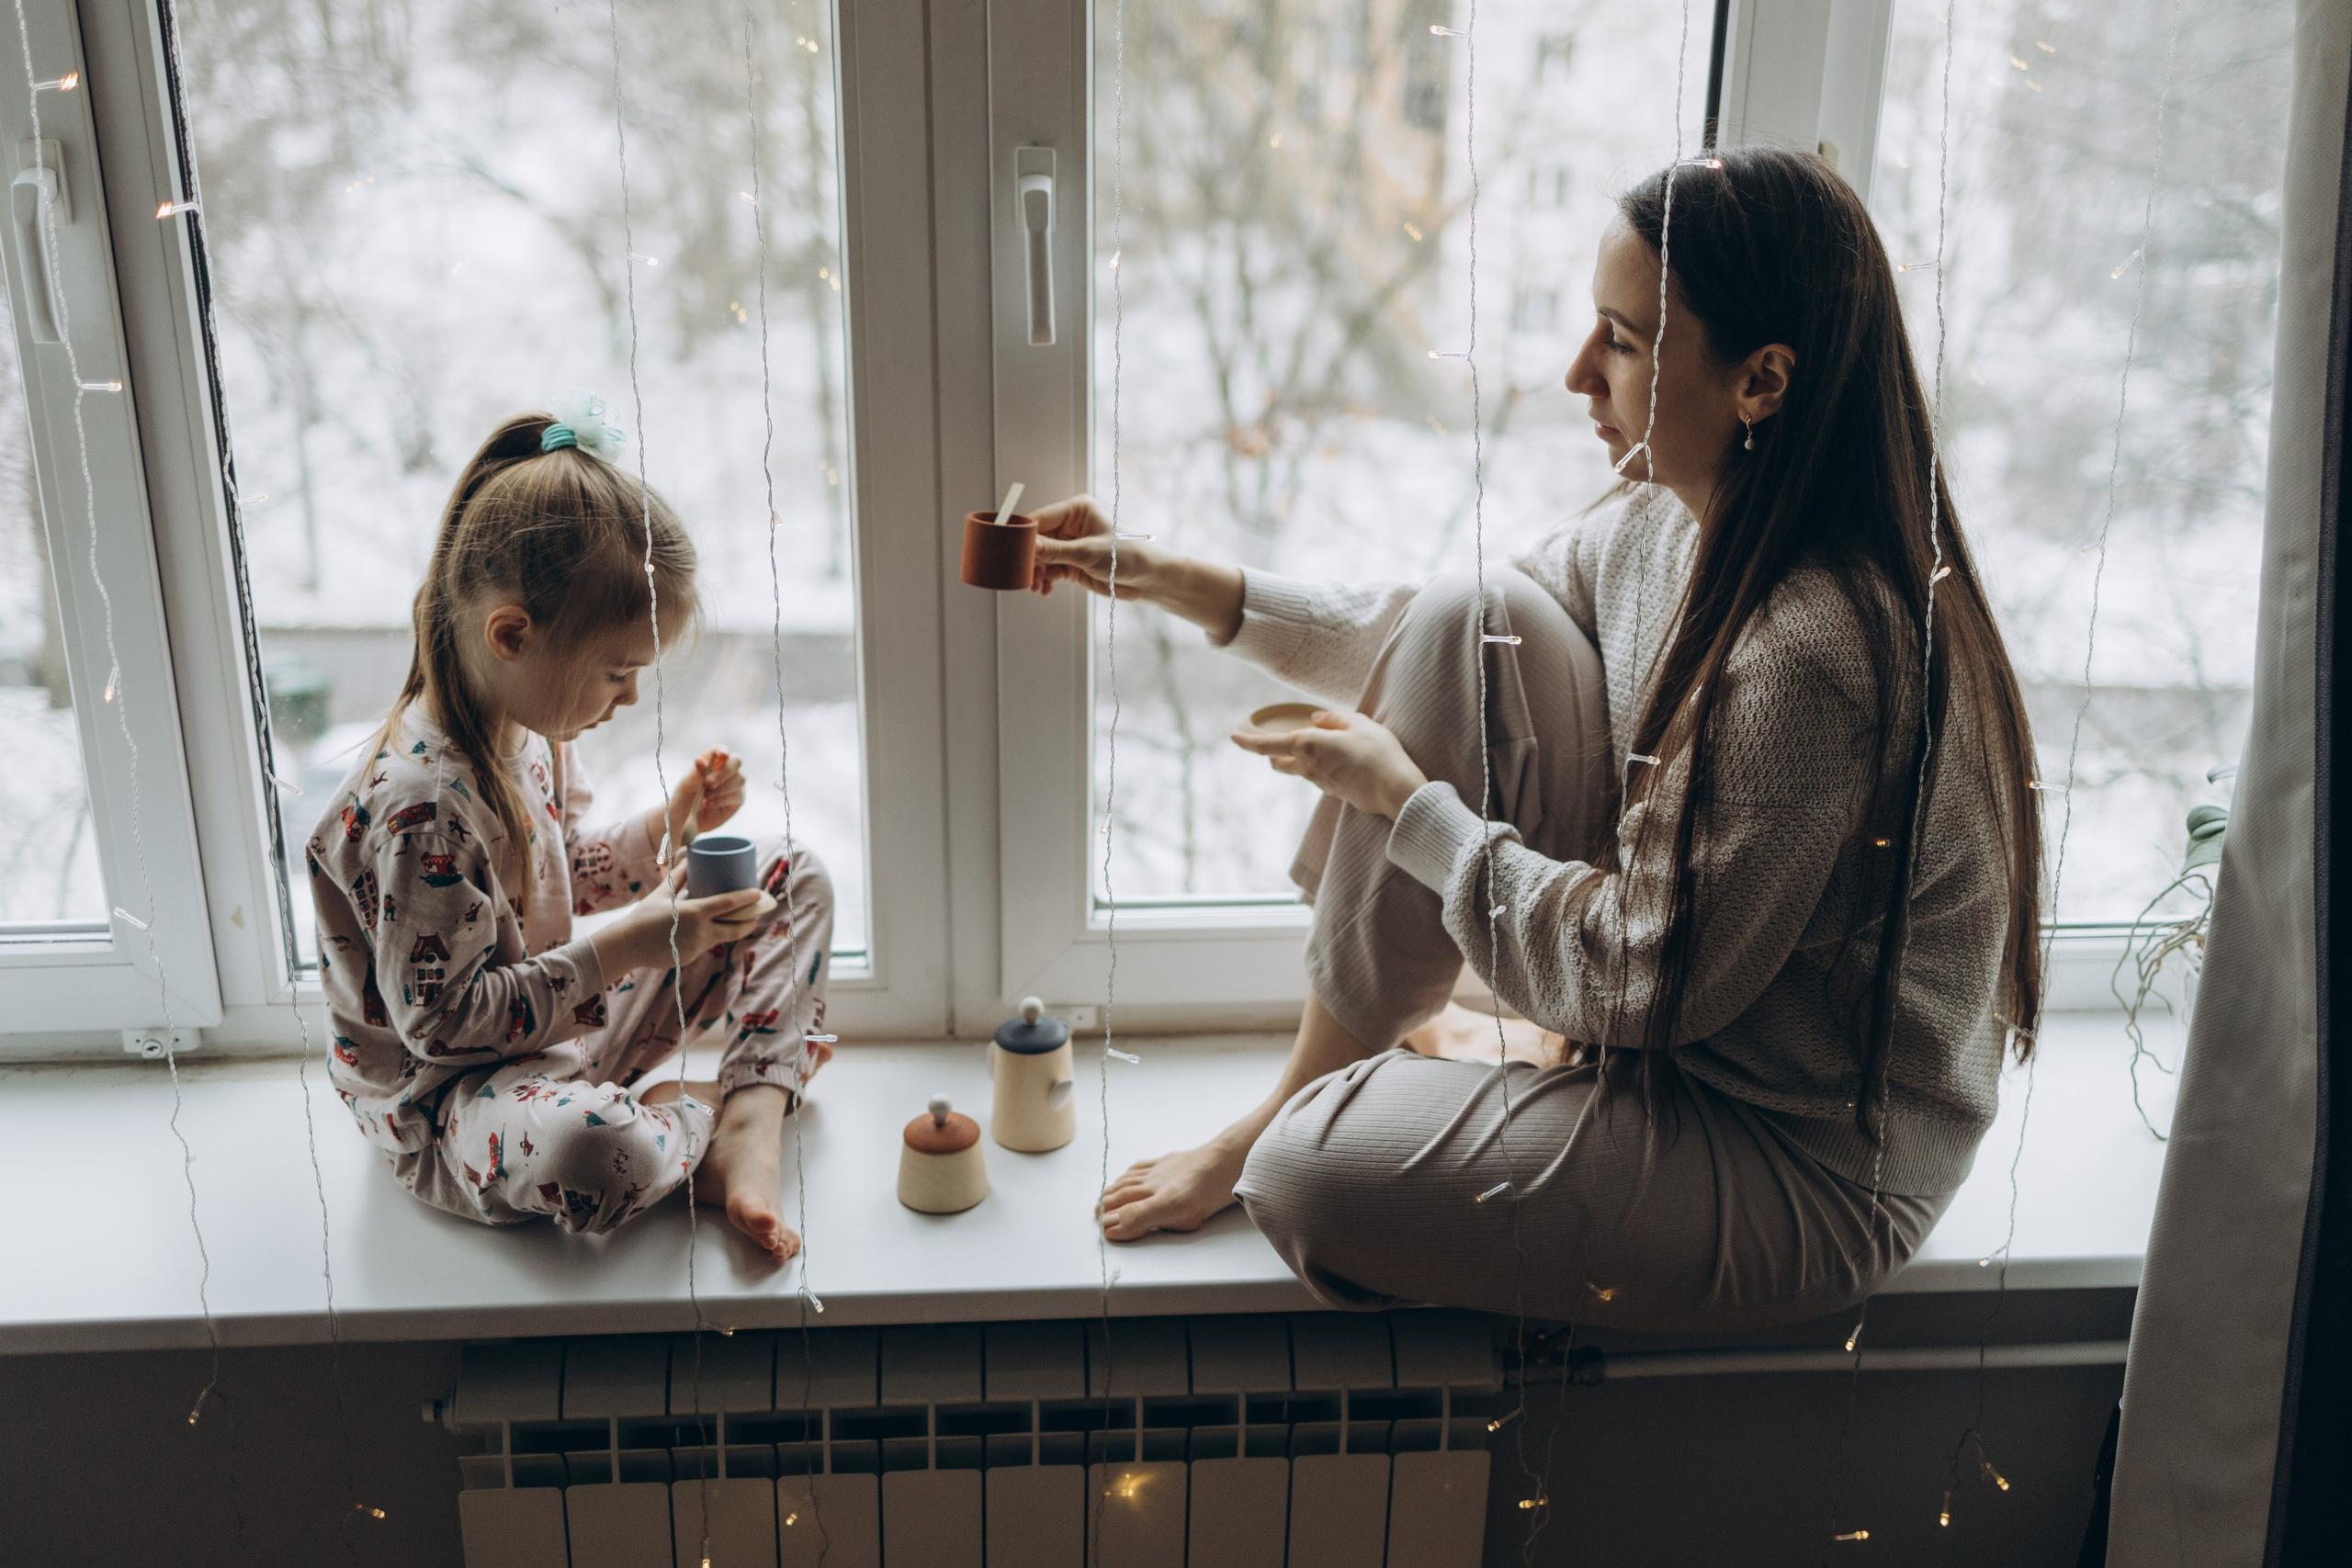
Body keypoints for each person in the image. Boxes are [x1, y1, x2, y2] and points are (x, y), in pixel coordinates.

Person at [1029, 148, 2044, 1331]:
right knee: (1478, 616)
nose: (1577, 374)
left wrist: (1417, 815)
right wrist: (1169, 578)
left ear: (1761, 380)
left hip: (1797, 1158)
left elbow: (1641, 980)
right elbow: (1429, 635)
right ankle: (1353, 1074)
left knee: (1301, 1177)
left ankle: (1334, 1103)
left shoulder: (1811, 655)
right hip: (1672, 1035)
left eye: (1619, 340)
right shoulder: (1673, 514)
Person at [309, 400, 833, 1262]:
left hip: (559, 1035)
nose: (628, 699)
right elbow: (445, 1026)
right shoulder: (418, 808)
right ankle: (698, 1124)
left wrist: (671, 825)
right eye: (617, 672)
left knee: (791, 876)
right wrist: (631, 945)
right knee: (595, 1154)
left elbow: (567, 873)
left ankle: (747, 1119)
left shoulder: (528, 730)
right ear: (511, 634)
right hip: (457, 1107)